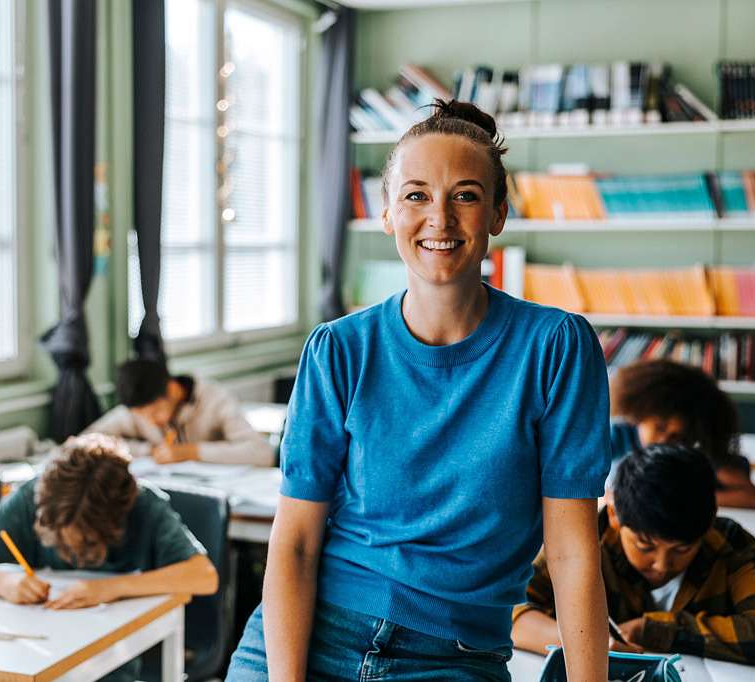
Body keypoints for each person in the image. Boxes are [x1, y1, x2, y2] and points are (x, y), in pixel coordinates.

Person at [225, 99, 611, 681]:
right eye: (416, 195)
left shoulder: (556, 346)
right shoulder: (338, 350)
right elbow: (297, 542)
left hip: (453, 654)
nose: (440, 218)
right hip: (309, 632)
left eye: (466, 195)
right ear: (386, 213)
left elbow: (572, 554)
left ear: (498, 214)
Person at [0, 433, 218, 681]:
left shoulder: (144, 505)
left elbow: (204, 576)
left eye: (86, 541)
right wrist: (4, 583)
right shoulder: (35, 496)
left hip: (114, 652)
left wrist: (110, 588)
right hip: (39, 645)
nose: (69, 549)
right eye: (58, 536)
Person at [513, 443, 755, 666]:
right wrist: (591, 647)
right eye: (645, 546)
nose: (661, 565)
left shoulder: (729, 543)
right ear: (614, 515)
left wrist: (652, 630)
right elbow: (510, 609)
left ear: (711, 519)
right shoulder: (583, 540)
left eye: (682, 549)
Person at [609, 359, 755, 508]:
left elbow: (754, 497)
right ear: (640, 413)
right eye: (660, 428)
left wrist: (679, 501)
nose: (663, 440)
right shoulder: (617, 433)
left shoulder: (693, 449)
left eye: (675, 436)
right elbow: (586, 479)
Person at [83, 358, 275, 466]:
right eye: (142, 416)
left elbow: (262, 453)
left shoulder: (216, 402)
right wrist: (147, 451)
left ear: (174, 389)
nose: (151, 421)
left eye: (156, 411)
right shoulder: (138, 408)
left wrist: (192, 452)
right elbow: (87, 440)